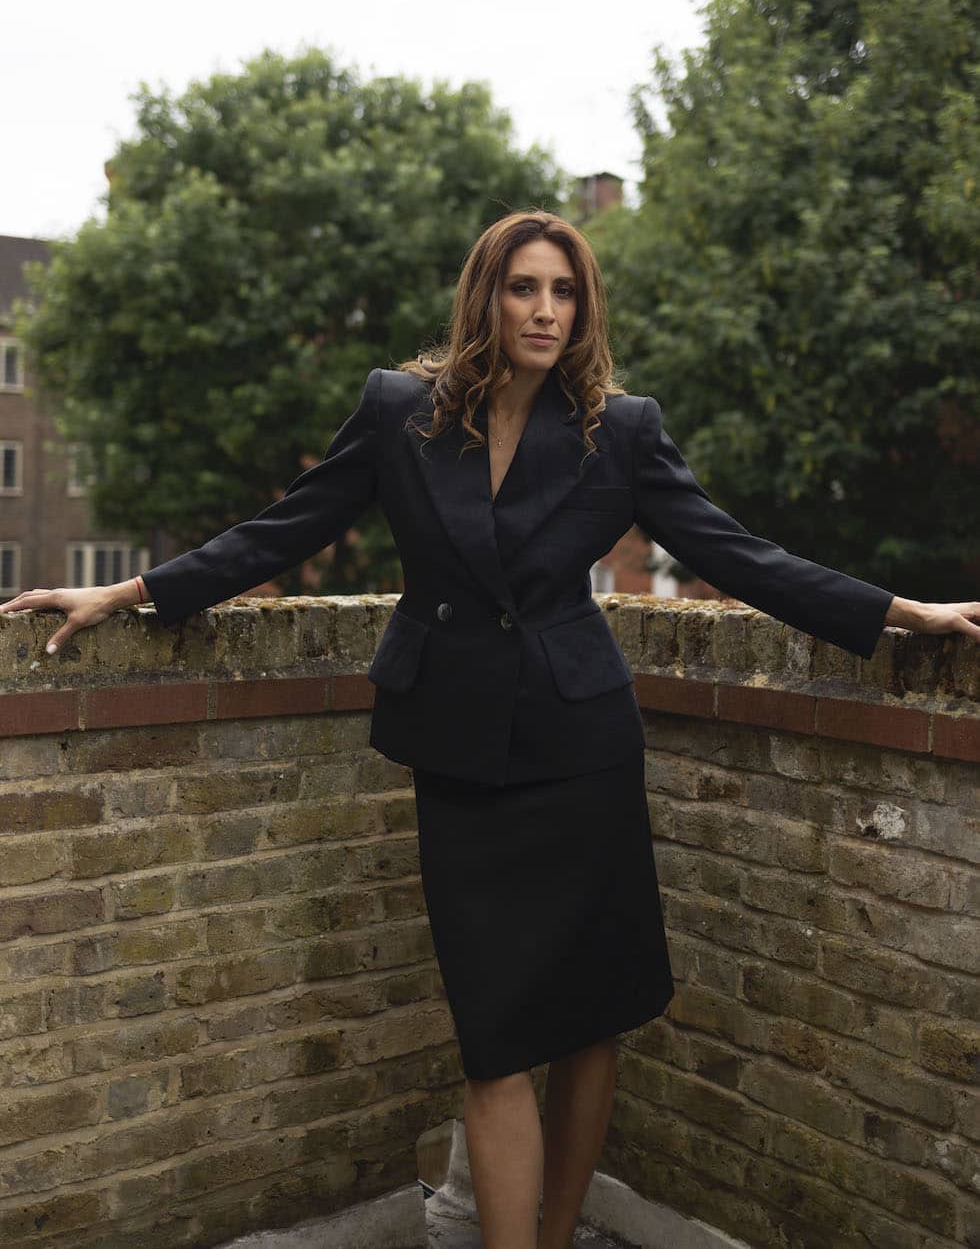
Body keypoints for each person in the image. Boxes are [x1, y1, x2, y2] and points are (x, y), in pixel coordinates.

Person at [2, 210, 977, 1249]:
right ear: (486, 297)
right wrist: (133, 593)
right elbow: (286, 526)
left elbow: (735, 553)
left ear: (583, 309)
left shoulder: (621, 429)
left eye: (564, 291)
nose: (545, 311)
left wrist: (899, 612)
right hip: (458, 750)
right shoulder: (400, 412)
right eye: (523, 288)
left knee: (593, 1017)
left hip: (583, 751)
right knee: (495, 1037)